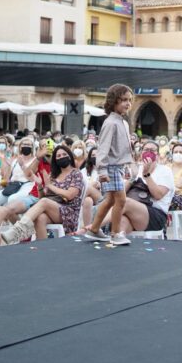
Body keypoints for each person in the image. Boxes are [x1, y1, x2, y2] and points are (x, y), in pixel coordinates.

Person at [80, 84, 134, 245]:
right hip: (110, 167)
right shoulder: (111, 122)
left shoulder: (120, 122)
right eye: (123, 100)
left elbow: (122, 149)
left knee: (110, 200)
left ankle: (94, 229)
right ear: (114, 101)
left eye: (129, 100)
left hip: (115, 166)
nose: (127, 103)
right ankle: (115, 233)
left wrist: (127, 166)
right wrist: (102, 170)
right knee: (121, 200)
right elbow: (103, 149)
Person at [12, 145, 85, 238]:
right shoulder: (53, 175)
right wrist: (39, 185)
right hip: (53, 209)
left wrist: (50, 185)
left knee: (45, 202)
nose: (61, 157)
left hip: (69, 213)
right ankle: (43, 249)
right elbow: (43, 198)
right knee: (40, 218)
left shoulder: (76, 173)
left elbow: (70, 195)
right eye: (58, 156)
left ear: (70, 156)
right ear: (55, 160)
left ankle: (18, 230)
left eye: (64, 154)